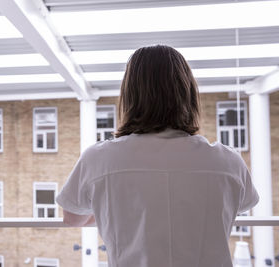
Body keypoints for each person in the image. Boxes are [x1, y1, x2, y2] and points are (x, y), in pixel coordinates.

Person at [56, 45, 259, 267]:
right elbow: (237, 206)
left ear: (129, 95)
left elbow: (72, 217)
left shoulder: (98, 159)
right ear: (188, 93)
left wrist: (112, 210)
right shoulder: (228, 161)